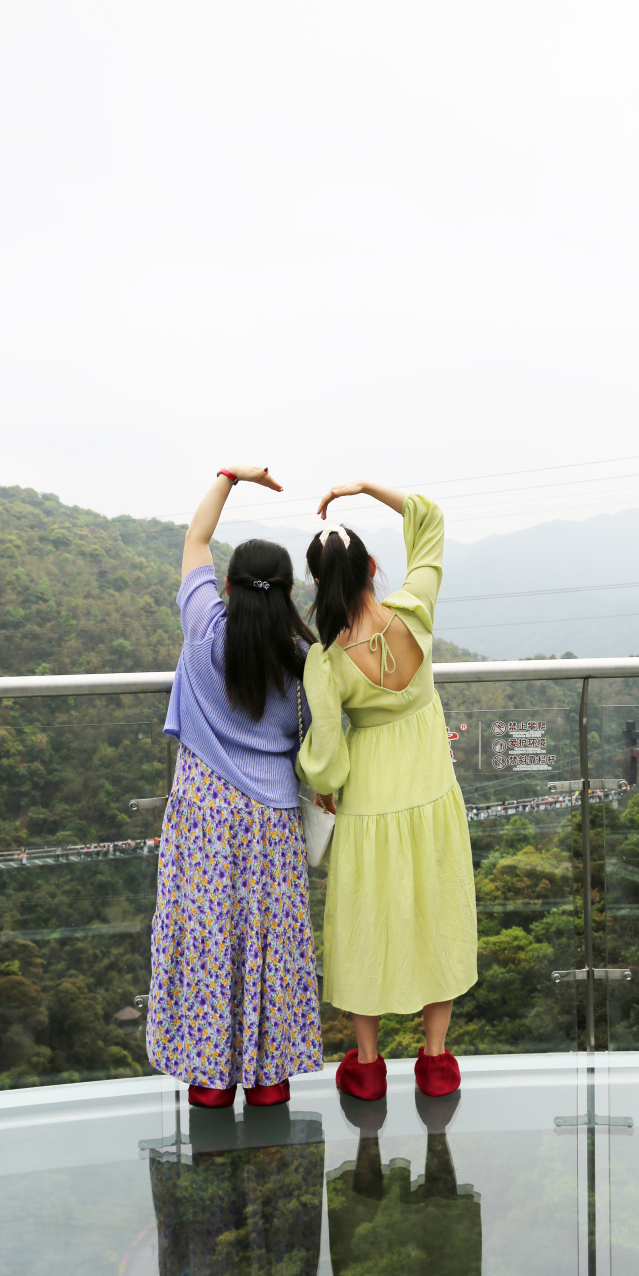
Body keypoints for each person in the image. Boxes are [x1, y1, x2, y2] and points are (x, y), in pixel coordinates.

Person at [146, 463, 323, 1109]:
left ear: (226, 586)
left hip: (203, 813)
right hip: (273, 818)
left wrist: (230, 477)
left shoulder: (203, 631)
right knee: (271, 946)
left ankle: (210, 1085)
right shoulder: (304, 662)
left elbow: (196, 538)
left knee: (207, 940)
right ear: (288, 594)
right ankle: (270, 1082)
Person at [297, 480, 477, 1100]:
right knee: (437, 912)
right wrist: (364, 487)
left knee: (365, 921)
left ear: (318, 582)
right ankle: (436, 1061)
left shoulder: (326, 660)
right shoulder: (414, 610)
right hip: (432, 789)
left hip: (369, 805)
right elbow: (429, 522)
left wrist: (324, 785)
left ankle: (368, 1066)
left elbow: (325, 760)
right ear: (373, 567)